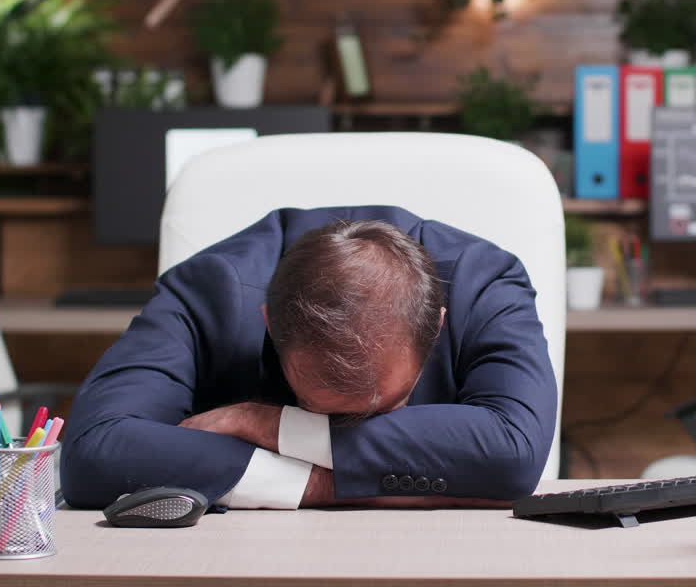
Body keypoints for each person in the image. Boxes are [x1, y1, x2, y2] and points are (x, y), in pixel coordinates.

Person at [61, 205, 557, 509]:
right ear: (269, 323)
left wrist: (262, 423)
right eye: (319, 410)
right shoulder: (207, 291)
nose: (349, 428)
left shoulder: (483, 282)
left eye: (382, 408)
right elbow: (92, 454)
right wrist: (326, 486)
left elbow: (514, 456)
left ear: (438, 325)